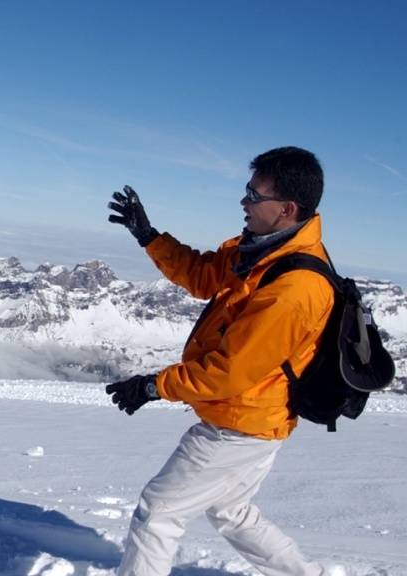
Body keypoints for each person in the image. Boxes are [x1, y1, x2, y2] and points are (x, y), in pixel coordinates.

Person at [105, 146, 335, 576]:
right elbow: (202, 275)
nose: (244, 201)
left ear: (286, 208)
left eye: (254, 193)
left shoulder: (294, 288)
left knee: (158, 513)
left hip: (241, 421)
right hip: (256, 417)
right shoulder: (260, 252)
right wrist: (149, 236)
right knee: (231, 510)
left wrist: (154, 386)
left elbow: (229, 373)